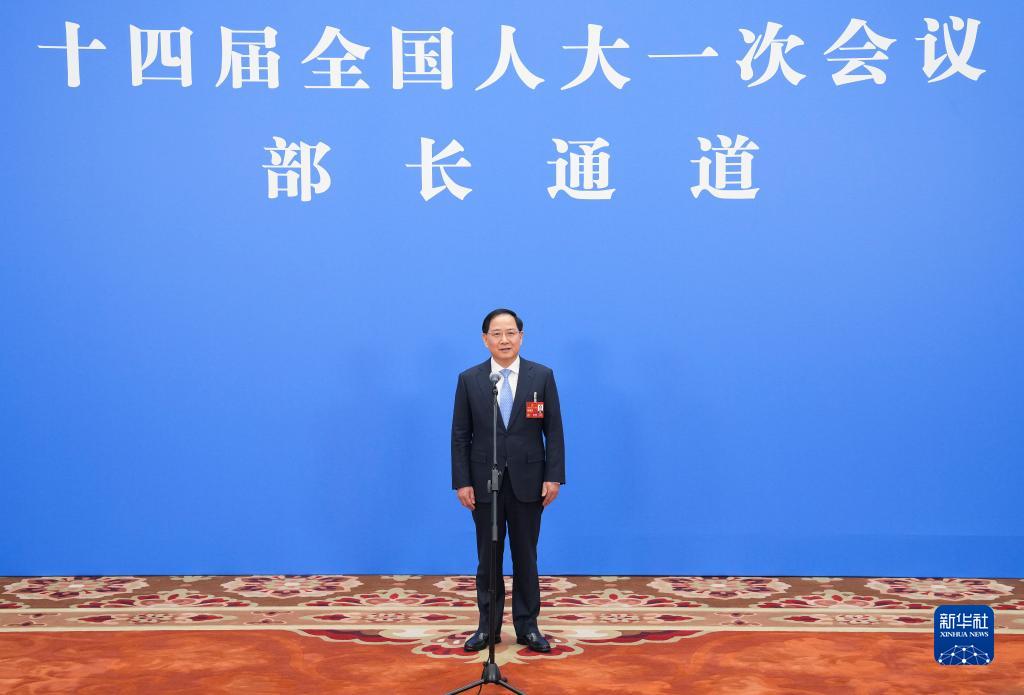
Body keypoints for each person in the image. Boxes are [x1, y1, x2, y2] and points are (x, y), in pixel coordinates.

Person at [451, 308, 565, 653]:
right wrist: (462, 482)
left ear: (521, 337)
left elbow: (554, 432)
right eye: (497, 334)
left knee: (526, 557)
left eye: (511, 333)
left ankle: (528, 626)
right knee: (488, 558)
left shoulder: (541, 376)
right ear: (485, 339)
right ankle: (487, 627)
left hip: (529, 481)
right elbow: (460, 435)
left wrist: (554, 477)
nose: (504, 340)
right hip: (484, 483)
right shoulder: (470, 379)